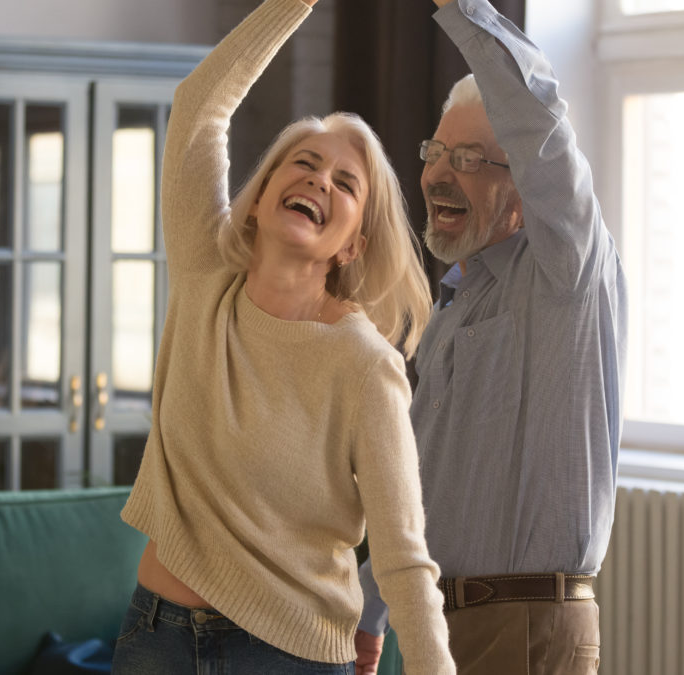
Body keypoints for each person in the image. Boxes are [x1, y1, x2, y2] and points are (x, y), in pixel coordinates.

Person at [110, 0, 456, 674]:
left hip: (286, 656)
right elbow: (199, 107)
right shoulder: (204, 272)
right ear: (264, 190)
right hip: (155, 634)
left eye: (344, 182)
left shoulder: (365, 366)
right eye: (303, 162)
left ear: (352, 242)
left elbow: (402, 553)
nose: (317, 179)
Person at [355, 0, 628, 673]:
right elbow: (422, 483)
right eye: (437, 152)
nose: (439, 173)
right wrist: (369, 607)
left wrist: (460, 10)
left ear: (523, 188)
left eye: (471, 158)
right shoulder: (453, 303)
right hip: (440, 628)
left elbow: (538, 121)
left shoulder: (568, 271)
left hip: (527, 625)